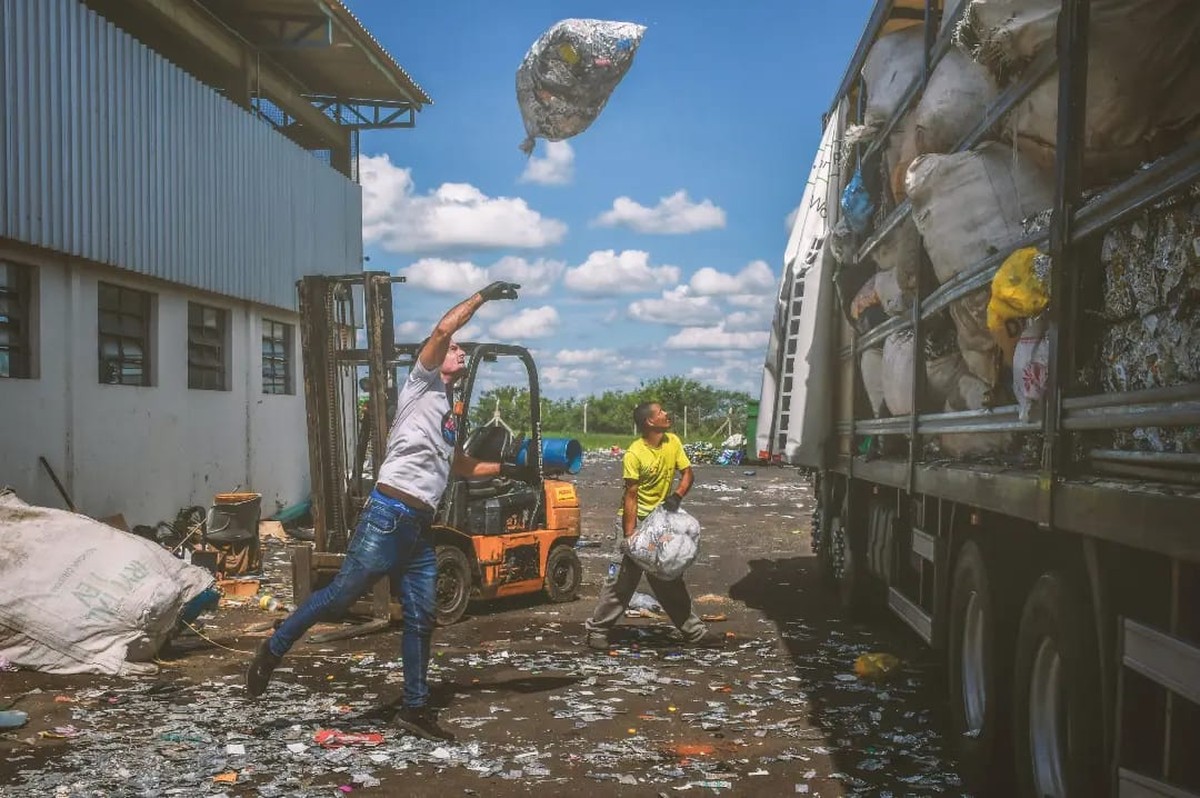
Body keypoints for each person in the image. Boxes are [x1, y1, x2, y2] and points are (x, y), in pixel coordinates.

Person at [246, 281, 529, 742]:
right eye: (453, 349)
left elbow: (457, 464)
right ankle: (273, 649)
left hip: (419, 526)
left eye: (458, 349)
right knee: (340, 597)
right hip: (388, 512)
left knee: (422, 616)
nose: (457, 351)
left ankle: (415, 709)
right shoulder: (421, 383)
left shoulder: (450, 410)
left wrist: (512, 467)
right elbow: (442, 328)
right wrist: (481, 296)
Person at [583, 401, 724, 650]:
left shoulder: (673, 442)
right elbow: (631, 496)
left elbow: (688, 473)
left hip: (661, 522)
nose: (667, 414)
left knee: (669, 577)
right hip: (635, 520)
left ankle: (695, 632)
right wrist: (629, 538)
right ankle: (598, 631)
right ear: (650, 421)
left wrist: (677, 495)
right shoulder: (634, 453)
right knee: (622, 581)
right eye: (661, 413)